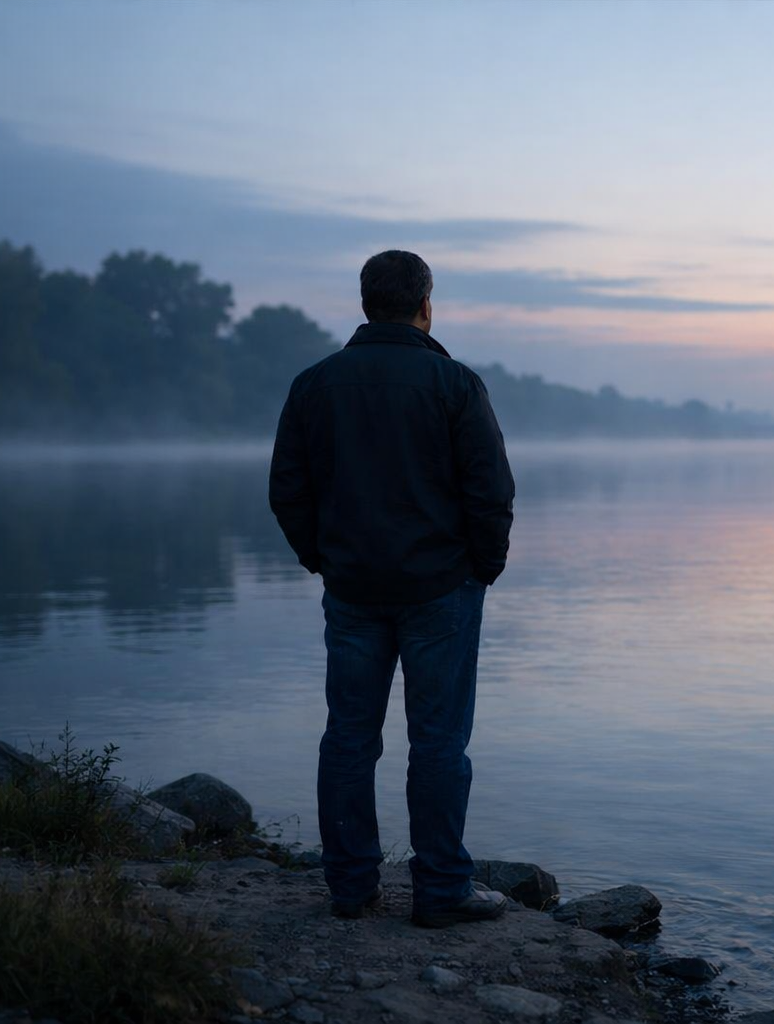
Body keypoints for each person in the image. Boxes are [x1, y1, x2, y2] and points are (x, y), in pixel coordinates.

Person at [268, 250, 516, 926]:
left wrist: (323, 559)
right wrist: (482, 568)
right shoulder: (454, 383)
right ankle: (441, 891)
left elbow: (287, 488)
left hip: (353, 587)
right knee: (438, 742)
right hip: (441, 588)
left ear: (365, 303)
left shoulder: (314, 384)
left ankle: (351, 887)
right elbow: (491, 490)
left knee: (349, 737)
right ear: (426, 305)